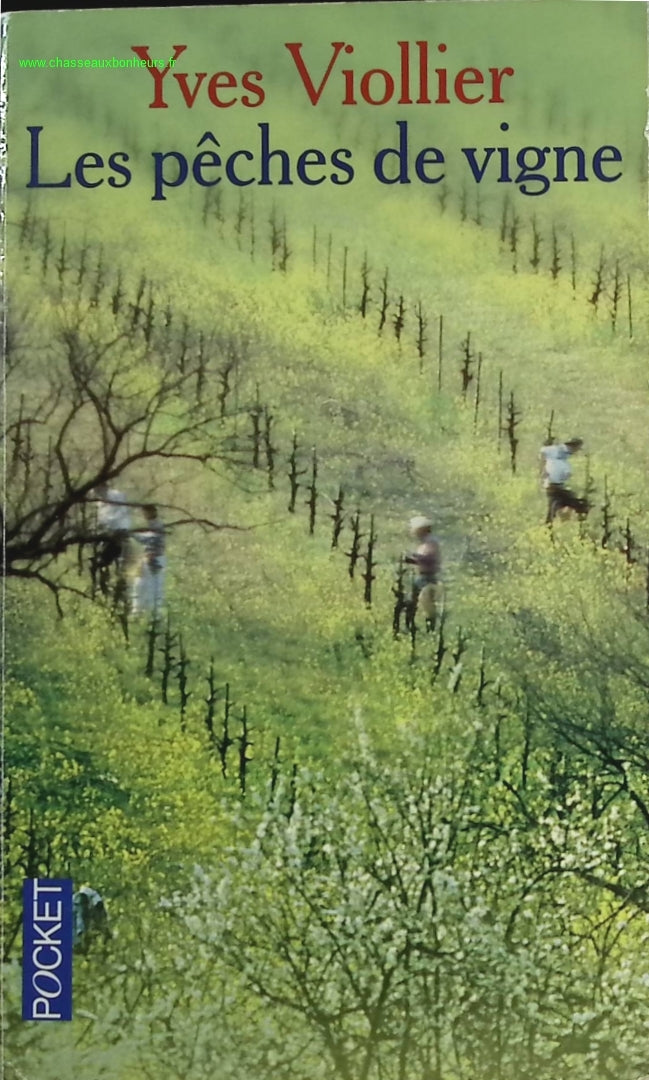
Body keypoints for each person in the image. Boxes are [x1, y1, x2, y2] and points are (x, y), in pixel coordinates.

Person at [90, 482, 132, 593]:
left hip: (119, 531)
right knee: (101, 559)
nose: (97, 494)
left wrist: (108, 524)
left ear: (104, 487)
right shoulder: (100, 501)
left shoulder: (116, 496)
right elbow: (101, 517)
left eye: (98, 491)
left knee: (116, 558)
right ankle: (104, 584)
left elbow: (121, 513)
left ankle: (120, 586)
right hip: (108, 533)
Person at [539, 437, 589, 524]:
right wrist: (543, 470)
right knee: (574, 504)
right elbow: (543, 451)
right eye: (577, 448)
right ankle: (551, 524)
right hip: (553, 484)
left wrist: (566, 473)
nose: (576, 451)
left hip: (559, 484)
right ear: (573, 446)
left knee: (559, 505)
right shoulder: (559, 450)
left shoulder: (566, 454)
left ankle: (556, 523)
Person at [405, 515, 441, 630]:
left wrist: (413, 559)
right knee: (413, 602)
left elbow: (429, 559)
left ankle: (429, 629)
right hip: (422, 577)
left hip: (427, 578)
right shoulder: (425, 543)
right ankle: (411, 626)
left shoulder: (430, 543)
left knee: (427, 604)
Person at [131, 504, 166, 616]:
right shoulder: (151, 526)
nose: (143, 515)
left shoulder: (157, 526)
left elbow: (148, 540)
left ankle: (155, 614)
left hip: (156, 559)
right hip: (147, 559)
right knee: (140, 586)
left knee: (154, 588)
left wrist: (133, 534)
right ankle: (140, 612)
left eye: (145, 512)